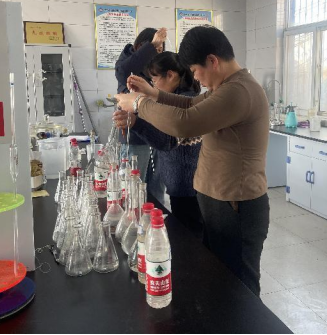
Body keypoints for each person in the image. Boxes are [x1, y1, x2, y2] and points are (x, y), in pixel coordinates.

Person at [115, 26, 270, 296]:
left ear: (212, 60)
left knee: (240, 286)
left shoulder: (238, 91)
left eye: (196, 70)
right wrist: (153, 93)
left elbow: (185, 122)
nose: (195, 77)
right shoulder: (226, 86)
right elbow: (190, 105)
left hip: (237, 205)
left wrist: (139, 104)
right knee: (220, 279)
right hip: (221, 203)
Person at [113, 52, 203, 239]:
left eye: (154, 80)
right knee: (185, 229)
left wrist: (135, 121)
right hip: (180, 182)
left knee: (190, 236)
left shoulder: (185, 101)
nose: (154, 86)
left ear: (170, 75)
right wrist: (143, 97)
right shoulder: (176, 97)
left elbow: (167, 140)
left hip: (187, 184)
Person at [114, 27, 167, 203]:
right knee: (134, 189)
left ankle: (158, 217)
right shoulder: (128, 61)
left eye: (160, 50)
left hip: (157, 135)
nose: (156, 54)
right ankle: (134, 217)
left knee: (156, 188)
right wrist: (153, 45)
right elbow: (123, 71)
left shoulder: (156, 69)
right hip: (135, 138)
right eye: (154, 49)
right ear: (140, 47)